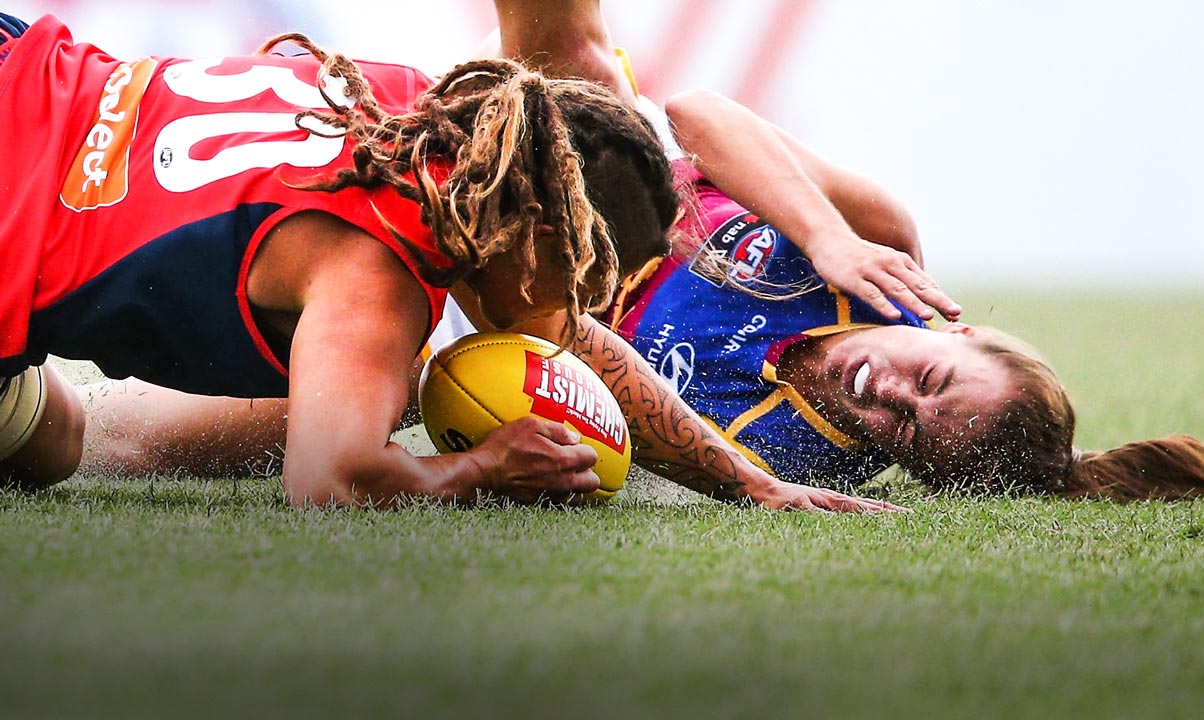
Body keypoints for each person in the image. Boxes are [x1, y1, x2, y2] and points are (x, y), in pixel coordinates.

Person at [75, 2, 1204, 503]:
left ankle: (51, 421)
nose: (893, 400)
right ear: (955, 332)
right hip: (574, 175)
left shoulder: (809, 456)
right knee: (582, 68)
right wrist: (821, 231)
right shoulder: (882, 256)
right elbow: (697, 119)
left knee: (182, 443)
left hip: (499, 310)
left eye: (914, 435)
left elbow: (600, 411)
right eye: (933, 379)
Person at [0, 11, 900, 512]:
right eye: (583, 275)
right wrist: (475, 468)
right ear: (539, 239)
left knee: (53, 444)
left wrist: (748, 483)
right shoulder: (374, 285)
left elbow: (570, 338)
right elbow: (329, 484)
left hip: (26, 63)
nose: (584, 305)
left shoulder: (424, 112)